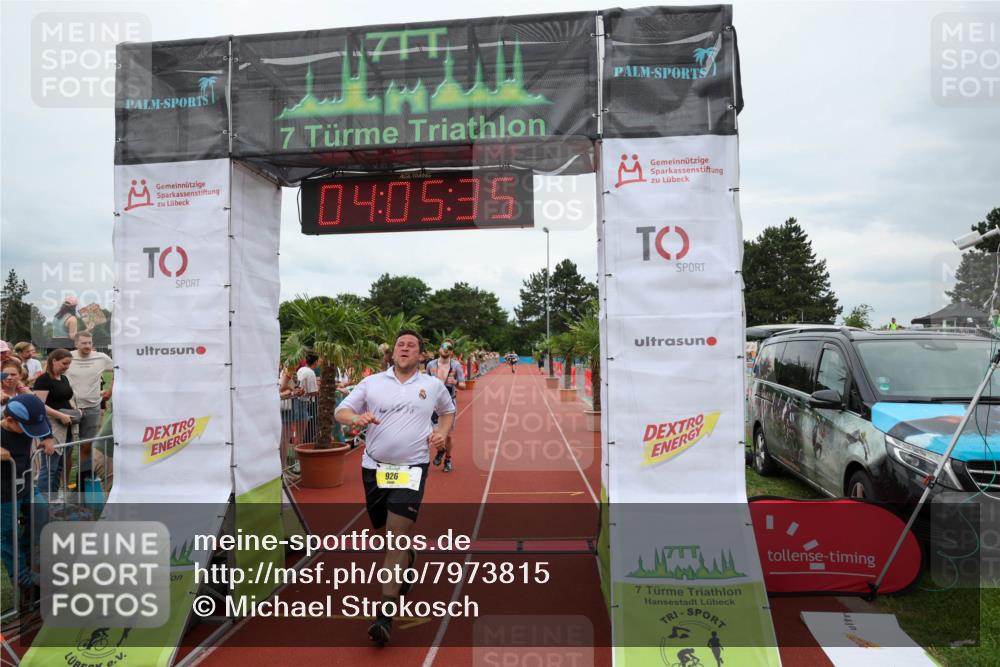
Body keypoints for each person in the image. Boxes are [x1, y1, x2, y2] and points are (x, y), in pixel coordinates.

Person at [334, 330, 454, 647]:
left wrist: (441, 433)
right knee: (383, 533)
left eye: (411, 345)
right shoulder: (372, 383)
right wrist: (356, 417)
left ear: (421, 355)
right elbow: (341, 411)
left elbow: (447, 412)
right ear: (393, 353)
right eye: (400, 344)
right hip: (374, 469)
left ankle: (384, 615)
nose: (404, 348)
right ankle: (409, 557)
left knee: (395, 541)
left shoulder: (432, 385)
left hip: (411, 468)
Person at [2, 394, 56, 602]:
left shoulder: (29, 419)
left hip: (25, 486)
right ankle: (23, 580)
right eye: (28, 429)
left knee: (41, 517)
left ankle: (28, 565)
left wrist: (48, 437)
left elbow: (42, 420)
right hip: (3, 495)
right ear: (9, 420)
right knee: (7, 536)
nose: (32, 434)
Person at [65, 332, 114, 477]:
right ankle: (64, 486)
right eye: (83, 343)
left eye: (89, 343)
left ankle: (82, 482)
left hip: (93, 407)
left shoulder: (102, 357)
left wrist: (110, 390)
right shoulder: (68, 357)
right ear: (76, 344)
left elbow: (118, 370)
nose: (87, 346)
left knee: (86, 447)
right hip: (69, 407)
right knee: (66, 449)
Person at [32, 349, 75, 494]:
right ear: (54, 361)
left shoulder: (64, 379)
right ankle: (42, 503)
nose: (67, 366)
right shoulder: (43, 380)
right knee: (50, 468)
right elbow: (39, 405)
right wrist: (59, 415)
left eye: (69, 364)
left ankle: (54, 498)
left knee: (59, 467)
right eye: (64, 363)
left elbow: (67, 399)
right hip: (52, 427)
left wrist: (76, 411)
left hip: (67, 426)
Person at [426, 339, 466, 472]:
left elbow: (463, 385)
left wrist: (455, 382)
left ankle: (448, 459)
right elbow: (425, 382)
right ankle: (441, 450)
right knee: (436, 432)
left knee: (447, 434)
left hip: (449, 403)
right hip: (433, 403)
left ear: (452, 351)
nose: (446, 349)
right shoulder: (430, 365)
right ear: (439, 349)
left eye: (449, 347)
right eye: (444, 346)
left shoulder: (456, 366)